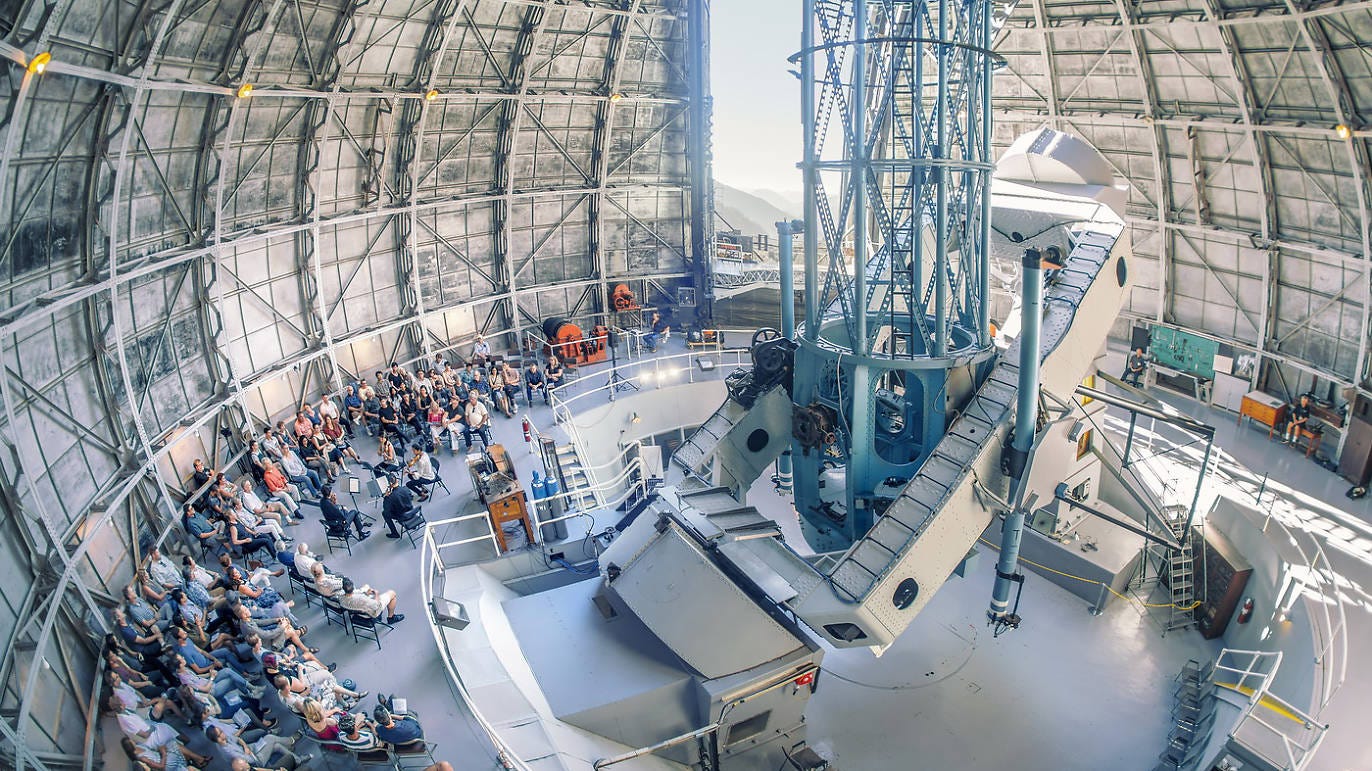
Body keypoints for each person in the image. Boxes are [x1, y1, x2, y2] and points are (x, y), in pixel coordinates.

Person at [338, 577, 405, 624]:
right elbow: (376, 605)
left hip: (356, 613)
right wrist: (377, 594)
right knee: (392, 593)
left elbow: (354, 595)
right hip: (370, 614)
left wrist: (365, 593)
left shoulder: (341, 598)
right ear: (352, 587)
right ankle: (391, 618)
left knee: (366, 587)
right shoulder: (362, 599)